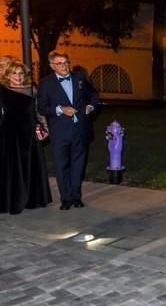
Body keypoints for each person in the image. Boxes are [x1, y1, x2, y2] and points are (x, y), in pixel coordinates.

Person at [37, 51, 99, 211]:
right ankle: (65, 198)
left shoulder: (79, 78)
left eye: (65, 62)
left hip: (80, 129)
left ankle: (76, 197)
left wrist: (90, 106)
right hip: (60, 132)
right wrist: (60, 109)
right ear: (52, 66)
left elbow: (93, 94)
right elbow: (42, 107)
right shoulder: (46, 83)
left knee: (78, 164)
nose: (64, 66)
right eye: (59, 63)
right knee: (61, 165)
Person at [0, 61, 52, 214]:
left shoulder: (33, 89)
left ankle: (32, 199)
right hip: (8, 134)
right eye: (14, 73)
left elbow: (38, 112)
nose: (18, 76)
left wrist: (45, 129)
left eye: (21, 73)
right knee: (10, 169)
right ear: (8, 75)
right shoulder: (1, 90)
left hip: (29, 133)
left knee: (30, 166)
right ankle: (10, 202)